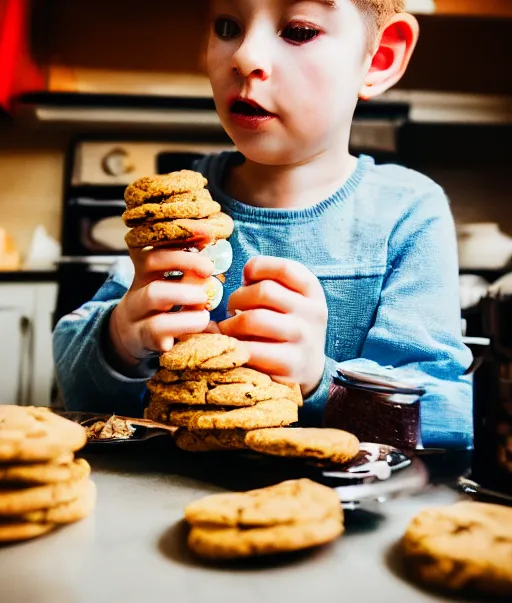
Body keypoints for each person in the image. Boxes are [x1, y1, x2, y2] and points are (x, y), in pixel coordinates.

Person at [53, 0, 472, 449]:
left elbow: (453, 415)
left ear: (380, 57)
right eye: (228, 25)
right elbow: (73, 382)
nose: (245, 56)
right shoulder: (182, 212)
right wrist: (120, 339)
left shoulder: (407, 212)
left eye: (299, 31)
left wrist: (320, 379)